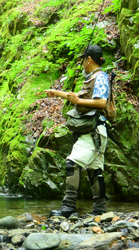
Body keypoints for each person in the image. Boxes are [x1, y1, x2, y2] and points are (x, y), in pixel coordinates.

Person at [44, 45, 109, 217]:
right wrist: (56, 93)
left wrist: (78, 101)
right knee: (95, 171)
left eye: (83, 60)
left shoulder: (100, 77)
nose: (82, 64)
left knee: (72, 163)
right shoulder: (93, 77)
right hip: (98, 132)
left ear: (89, 60)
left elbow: (102, 102)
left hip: (93, 132)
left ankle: (68, 206)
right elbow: (77, 97)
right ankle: (100, 211)